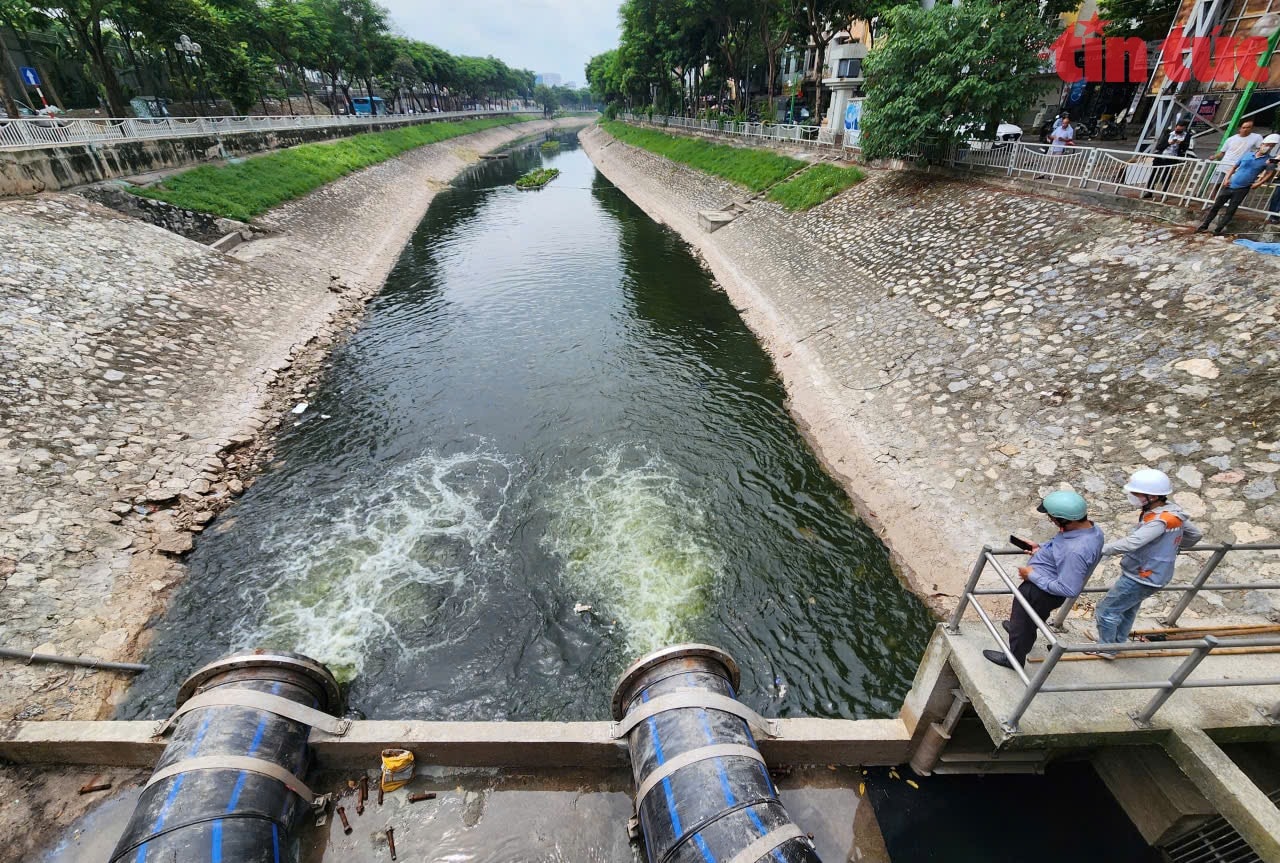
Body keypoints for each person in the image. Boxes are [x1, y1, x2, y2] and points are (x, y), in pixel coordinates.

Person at [984, 491, 1104, 670]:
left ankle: (1014, 659)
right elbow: (1060, 548)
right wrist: (1040, 549)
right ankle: (1022, 634)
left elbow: (1069, 589)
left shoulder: (1076, 550)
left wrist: (1031, 575)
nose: (1051, 520)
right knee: (1029, 620)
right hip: (1043, 589)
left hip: (1040, 592)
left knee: (1022, 621)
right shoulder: (1091, 531)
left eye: (1052, 517)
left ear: (1064, 519)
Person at [1091, 470, 1203, 659]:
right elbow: (1195, 535)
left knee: (1106, 610)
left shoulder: (1159, 520)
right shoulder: (1173, 512)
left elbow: (1132, 543)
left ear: (1152, 496)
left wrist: (1099, 549)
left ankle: (1107, 648)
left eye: (1136, 493)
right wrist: (1168, 547)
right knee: (1127, 610)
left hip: (1141, 575)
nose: (1132, 496)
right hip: (1156, 574)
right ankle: (1117, 642)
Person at [1196, 134, 1279, 235]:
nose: (1268, 147)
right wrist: (1226, 179)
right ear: (1261, 144)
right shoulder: (1247, 155)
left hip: (1242, 188)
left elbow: (1269, 173)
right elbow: (1234, 167)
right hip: (1230, 184)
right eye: (1267, 145)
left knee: (1231, 210)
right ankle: (1204, 225)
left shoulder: (1268, 160)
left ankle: (1218, 230)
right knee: (1216, 206)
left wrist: (1258, 183)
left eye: (1271, 146)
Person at [1142, 120, 1190, 198]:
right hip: (1161, 156)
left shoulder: (1186, 136)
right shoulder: (1169, 134)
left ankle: (1164, 193)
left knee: (1166, 176)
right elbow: (1159, 146)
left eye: (1180, 130)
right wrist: (1169, 143)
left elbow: (1185, 148)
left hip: (1171, 158)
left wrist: (1180, 143)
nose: (1178, 131)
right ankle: (1149, 191)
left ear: (1184, 129)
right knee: (1154, 174)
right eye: (1177, 129)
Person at [1209, 120, 1263, 187]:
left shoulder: (1256, 137)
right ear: (1240, 128)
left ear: (1252, 128)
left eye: (1248, 127)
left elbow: (1260, 150)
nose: (1245, 129)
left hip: (1238, 167)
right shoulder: (1230, 139)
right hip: (1224, 165)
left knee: (1229, 185)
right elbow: (1222, 153)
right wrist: (1214, 157)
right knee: (1215, 185)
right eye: (1243, 127)